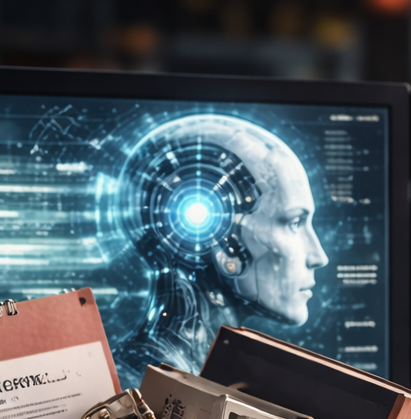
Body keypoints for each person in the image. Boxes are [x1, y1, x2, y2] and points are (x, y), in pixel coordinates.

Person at [117, 114, 328, 375]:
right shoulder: (140, 385)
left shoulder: (207, 375)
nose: (319, 257)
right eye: (294, 223)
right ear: (225, 243)